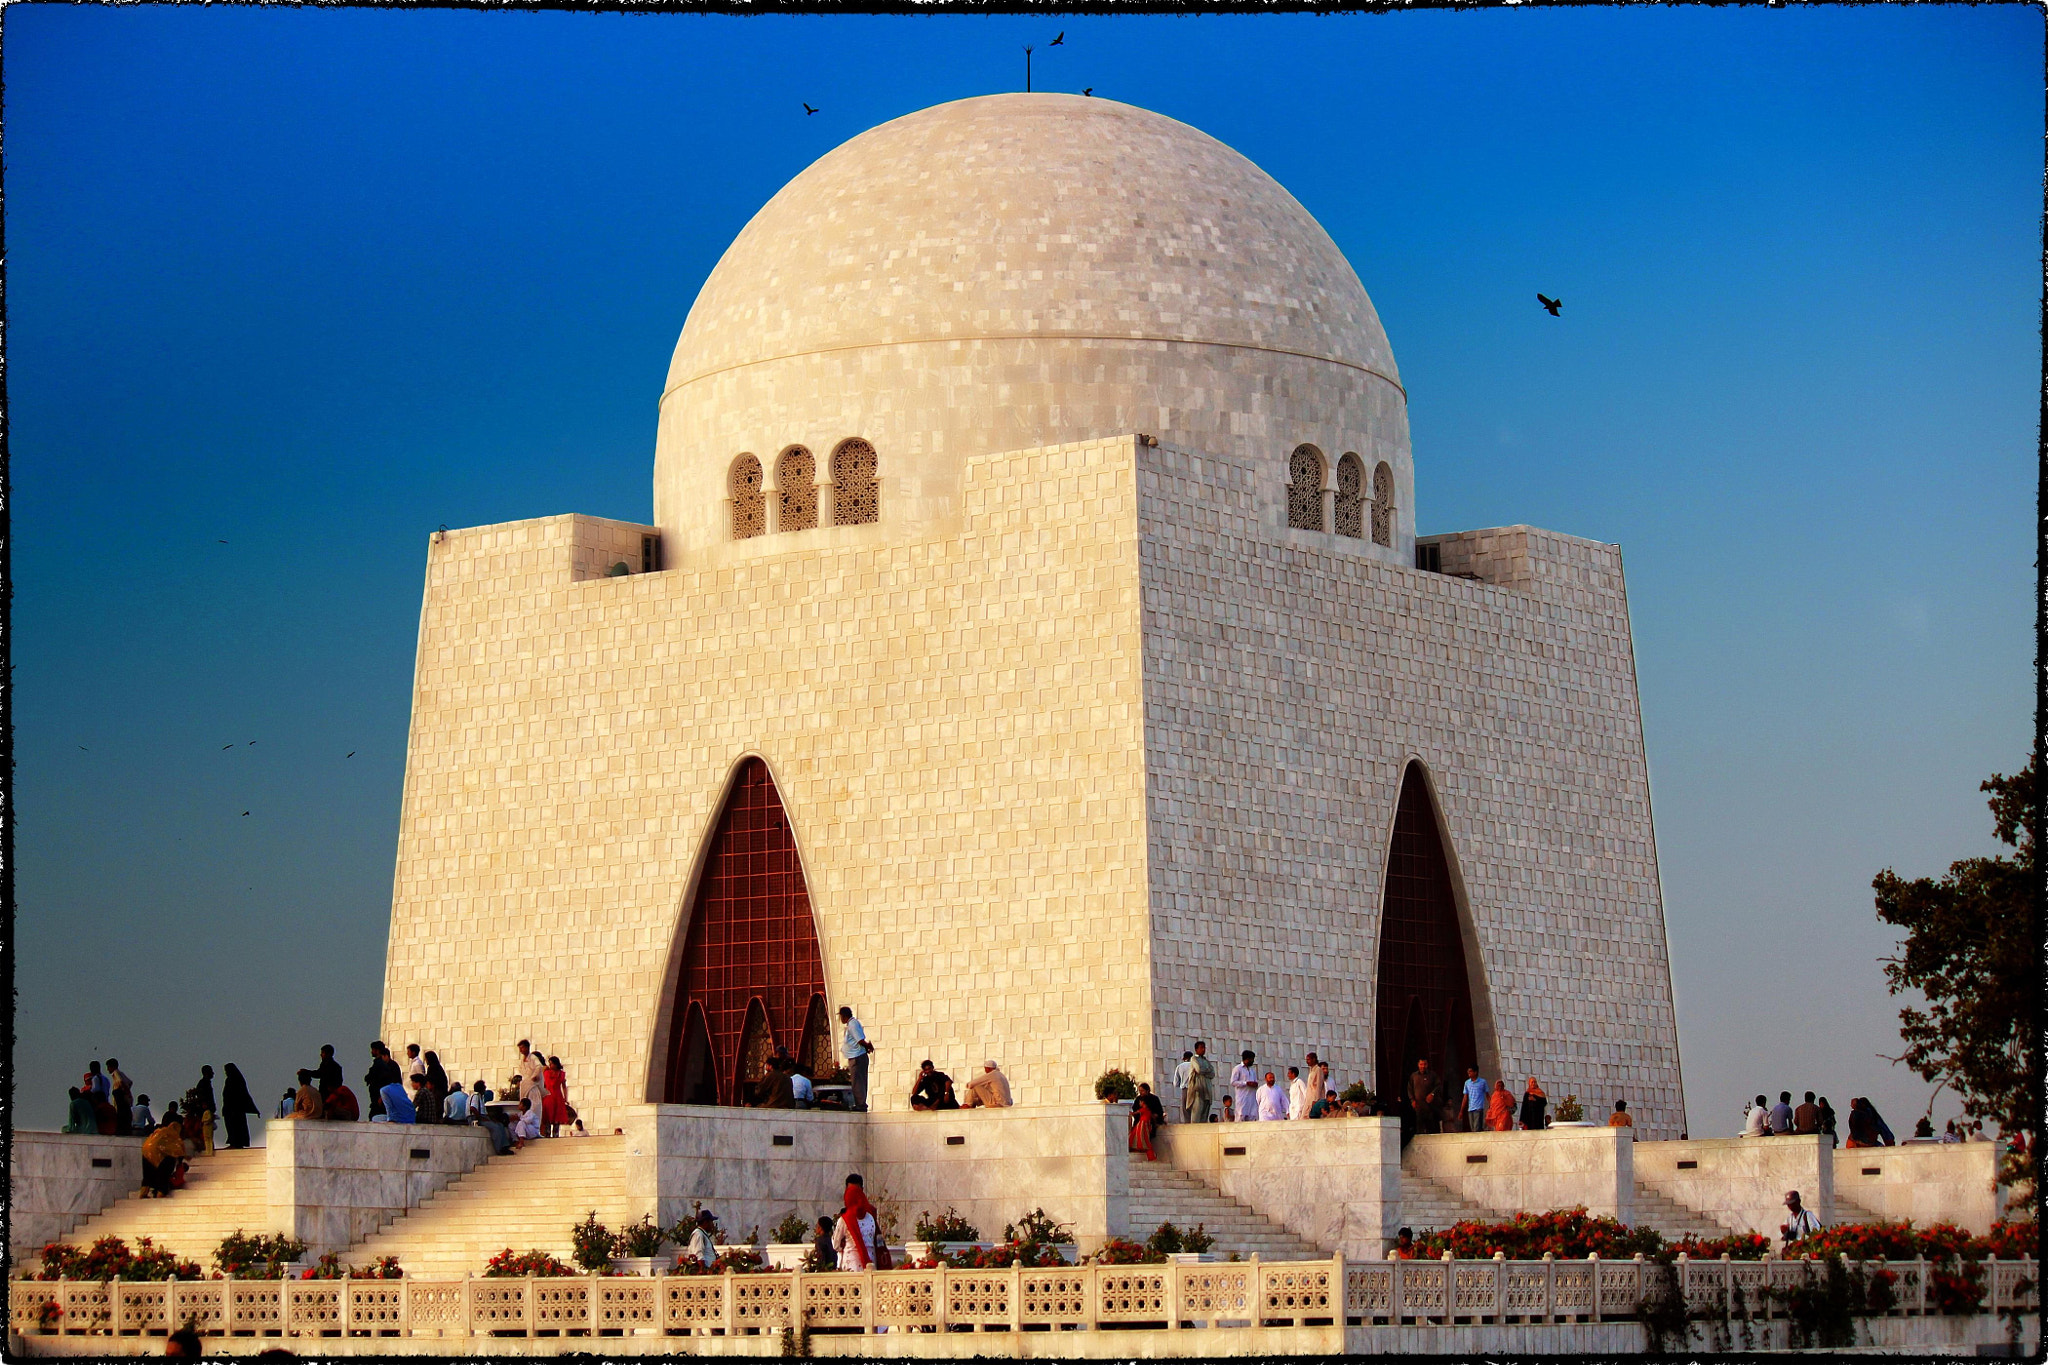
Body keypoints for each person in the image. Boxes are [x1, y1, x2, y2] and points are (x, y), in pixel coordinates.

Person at [834, 1177, 878, 1269]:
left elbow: (835, 1245)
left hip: (851, 1265)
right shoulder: (870, 1217)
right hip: (870, 1262)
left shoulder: (845, 1219)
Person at [142, 1108, 186, 1197]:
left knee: (148, 1175)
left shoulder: (159, 1130)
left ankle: (143, 1193)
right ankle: (160, 1194)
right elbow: (179, 1149)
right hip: (160, 1153)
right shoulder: (173, 1130)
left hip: (146, 1150)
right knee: (164, 1174)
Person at [838, 1007, 872, 1112]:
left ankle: (860, 1104)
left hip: (857, 1057)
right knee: (858, 1081)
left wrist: (867, 1046)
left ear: (844, 1016)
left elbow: (860, 1039)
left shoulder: (853, 1024)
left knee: (858, 1081)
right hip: (856, 1056)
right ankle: (860, 1103)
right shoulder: (852, 1024)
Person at [220, 1064, 260, 1148]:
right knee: (232, 1126)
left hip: (235, 1109)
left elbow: (242, 1094)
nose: (226, 1073)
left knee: (235, 1126)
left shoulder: (234, 1080)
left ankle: (236, 1143)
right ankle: (234, 1142)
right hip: (231, 1109)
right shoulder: (233, 1079)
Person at [1129, 1081, 1165, 1160]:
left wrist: (1154, 1115)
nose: (1140, 1092)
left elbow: (1159, 1111)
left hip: (1149, 1122)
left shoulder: (1154, 1099)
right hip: (1139, 1121)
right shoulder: (1138, 1099)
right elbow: (1135, 1110)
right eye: (1140, 1091)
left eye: (1142, 1091)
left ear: (1147, 1090)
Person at [1407, 1059, 1442, 1138]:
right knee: (1420, 1127)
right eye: (1421, 1064)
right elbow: (1409, 1089)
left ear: (1427, 1065)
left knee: (1431, 1127)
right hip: (1418, 1106)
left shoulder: (1432, 1075)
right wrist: (1412, 1100)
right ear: (1418, 1065)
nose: (1423, 1066)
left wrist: (1432, 1094)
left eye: (1424, 1064)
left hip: (1430, 1106)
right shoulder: (1414, 1076)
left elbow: (1438, 1086)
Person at [365, 1042, 401, 1120]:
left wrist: (382, 1096)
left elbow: (385, 1081)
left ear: (377, 1051)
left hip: (380, 1098)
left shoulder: (381, 1065)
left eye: (373, 1050)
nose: (371, 1052)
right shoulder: (380, 1064)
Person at [1185, 1042, 1216, 1124]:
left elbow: (1212, 1073)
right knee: (1197, 1110)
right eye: (1201, 1047)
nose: (1203, 1049)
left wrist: (1204, 1071)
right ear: (1196, 1049)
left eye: (1204, 1047)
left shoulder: (1206, 1061)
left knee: (1205, 1111)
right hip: (1198, 1088)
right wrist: (1206, 1070)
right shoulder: (1194, 1059)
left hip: (1207, 1088)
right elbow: (1198, 1069)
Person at [107, 1059, 135, 1136]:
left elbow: (121, 1081)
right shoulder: (120, 1073)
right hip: (123, 1096)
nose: (107, 1069)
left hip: (119, 1096)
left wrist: (124, 1091)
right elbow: (130, 1082)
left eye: (108, 1067)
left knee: (120, 1114)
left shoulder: (116, 1073)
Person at [1231, 1051, 1260, 1124]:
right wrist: (1245, 1083)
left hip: (1251, 1098)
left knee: (1252, 1117)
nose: (1253, 1061)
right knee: (1241, 1116)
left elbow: (1255, 1081)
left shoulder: (1252, 1070)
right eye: (1252, 1059)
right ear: (1247, 1059)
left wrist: (1255, 1084)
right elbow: (1233, 1082)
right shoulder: (1237, 1068)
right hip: (1242, 1098)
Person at [193, 1066, 218, 1152]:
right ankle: (208, 1151)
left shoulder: (205, 1083)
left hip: (207, 1111)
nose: (213, 1073)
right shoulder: (203, 1083)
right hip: (205, 1113)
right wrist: (206, 1107)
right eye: (211, 1072)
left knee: (208, 1133)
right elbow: (202, 1098)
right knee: (207, 1133)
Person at [514, 1040, 544, 1107]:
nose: (520, 1050)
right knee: (524, 1104)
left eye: (522, 1048)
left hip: (532, 1086)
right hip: (525, 1085)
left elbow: (539, 1067)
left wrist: (534, 1076)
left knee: (533, 1104)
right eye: (520, 1048)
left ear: (527, 1048)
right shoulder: (522, 1060)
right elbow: (522, 1071)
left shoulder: (533, 1057)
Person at [1461, 1068, 1489, 1132]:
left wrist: (1492, 1105)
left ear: (1475, 1072)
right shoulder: (1467, 1083)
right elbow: (1465, 1097)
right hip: (1470, 1108)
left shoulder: (1482, 1082)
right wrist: (1461, 1111)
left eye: (1470, 1071)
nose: (1469, 1073)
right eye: (1468, 1071)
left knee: (1476, 1127)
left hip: (1478, 1108)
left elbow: (1487, 1094)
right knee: (1473, 1128)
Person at [1173, 1053, 1194, 1122]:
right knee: (1194, 1107)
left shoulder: (1179, 1067)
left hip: (1185, 1089)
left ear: (1183, 1058)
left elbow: (1175, 1083)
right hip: (1194, 1088)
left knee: (1185, 1108)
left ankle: (1187, 1124)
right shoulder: (1194, 1066)